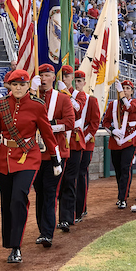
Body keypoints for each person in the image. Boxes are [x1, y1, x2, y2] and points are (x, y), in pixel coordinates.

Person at [0, 69, 62, 264]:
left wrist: (55, 159)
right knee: (7, 202)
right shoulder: (1, 105)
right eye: (14, 84)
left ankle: (16, 247)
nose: (18, 88)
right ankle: (10, 243)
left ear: (28, 86)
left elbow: (48, 134)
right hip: (4, 160)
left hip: (29, 157)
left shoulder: (37, 106)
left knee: (18, 197)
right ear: (9, 85)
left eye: (22, 84)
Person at [32, 64, 75, 247]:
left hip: (55, 151)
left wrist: (49, 126)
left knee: (50, 192)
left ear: (53, 78)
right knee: (39, 192)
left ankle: (47, 233)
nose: (43, 78)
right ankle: (42, 227)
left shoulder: (62, 99)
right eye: (41, 74)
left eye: (47, 74)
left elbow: (70, 122)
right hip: (35, 153)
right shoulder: (32, 98)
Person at [56, 64, 86, 231]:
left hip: (73, 141)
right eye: (62, 76)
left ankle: (67, 217)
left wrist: (66, 93)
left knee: (70, 180)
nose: (64, 79)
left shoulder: (78, 95)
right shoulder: (55, 96)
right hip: (59, 141)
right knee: (57, 181)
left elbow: (78, 109)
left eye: (67, 76)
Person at [102, 79, 136, 209]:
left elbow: (130, 108)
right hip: (116, 141)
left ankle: (122, 198)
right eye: (123, 88)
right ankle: (123, 192)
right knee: (118, 170)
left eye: (127, 89)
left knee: (125, 168)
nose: (125, 90)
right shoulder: (113, 105)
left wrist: (122, 95)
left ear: (132, 91)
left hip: (130, 140)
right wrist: (113, 131)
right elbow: (105, 122)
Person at [74, 70, 100, 221]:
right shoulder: (67, 98)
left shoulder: (91, 100)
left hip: (86, 143)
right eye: (75, 81)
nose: (77, 84)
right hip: (70, 143)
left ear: (84, 83)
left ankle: (81, 209)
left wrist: (84, 138)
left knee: (81, 174)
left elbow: (95, 123)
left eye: (79, 81)